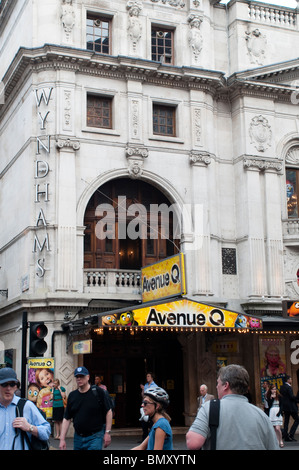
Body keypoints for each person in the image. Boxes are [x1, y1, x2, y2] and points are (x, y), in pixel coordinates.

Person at [186, 364, 278, 450]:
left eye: (218, 382)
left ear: (226, 385)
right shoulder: (262, 416)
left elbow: (193, 442)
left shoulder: (209, 408)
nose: (216, 386)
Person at [59, 366, 112, 450]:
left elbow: (108, 411)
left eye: (82, 376)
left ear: (88, 377)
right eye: (77, 377)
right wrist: (62, 439)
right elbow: (67, 418)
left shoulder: (98, 392)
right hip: (78, 437)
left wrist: (107, 432)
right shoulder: (72, 396)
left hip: (95, 436)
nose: (79, 379)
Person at [0, 367, 51, 450]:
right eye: (4, 384)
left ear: (16, 387)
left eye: (12, 384)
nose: (8, 388)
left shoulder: (26, 406)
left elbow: (46, 432)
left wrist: (30, 428)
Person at [280, 375, 299, 442]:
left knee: (286, 421)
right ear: (287, 380)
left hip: (285, 407)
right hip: (291, 407)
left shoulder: (281, 387)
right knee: (297, 420)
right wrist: (297, 399)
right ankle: (291, 434)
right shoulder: (289, 387)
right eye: (290, 379)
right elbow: (291, 397)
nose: (291, 380)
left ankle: (285, 436)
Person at [139, 372, 158, 440]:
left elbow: (155, 396)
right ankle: (144, 438)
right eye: (147, 376)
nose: (147, 378)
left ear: (152, 377)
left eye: (148, 376)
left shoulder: (155, 386)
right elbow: (143, 395)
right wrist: (143, 389)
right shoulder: (146, 385)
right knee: (144, 422)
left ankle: (151, 438)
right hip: (145, 404)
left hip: (151, 405)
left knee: (151, 422)